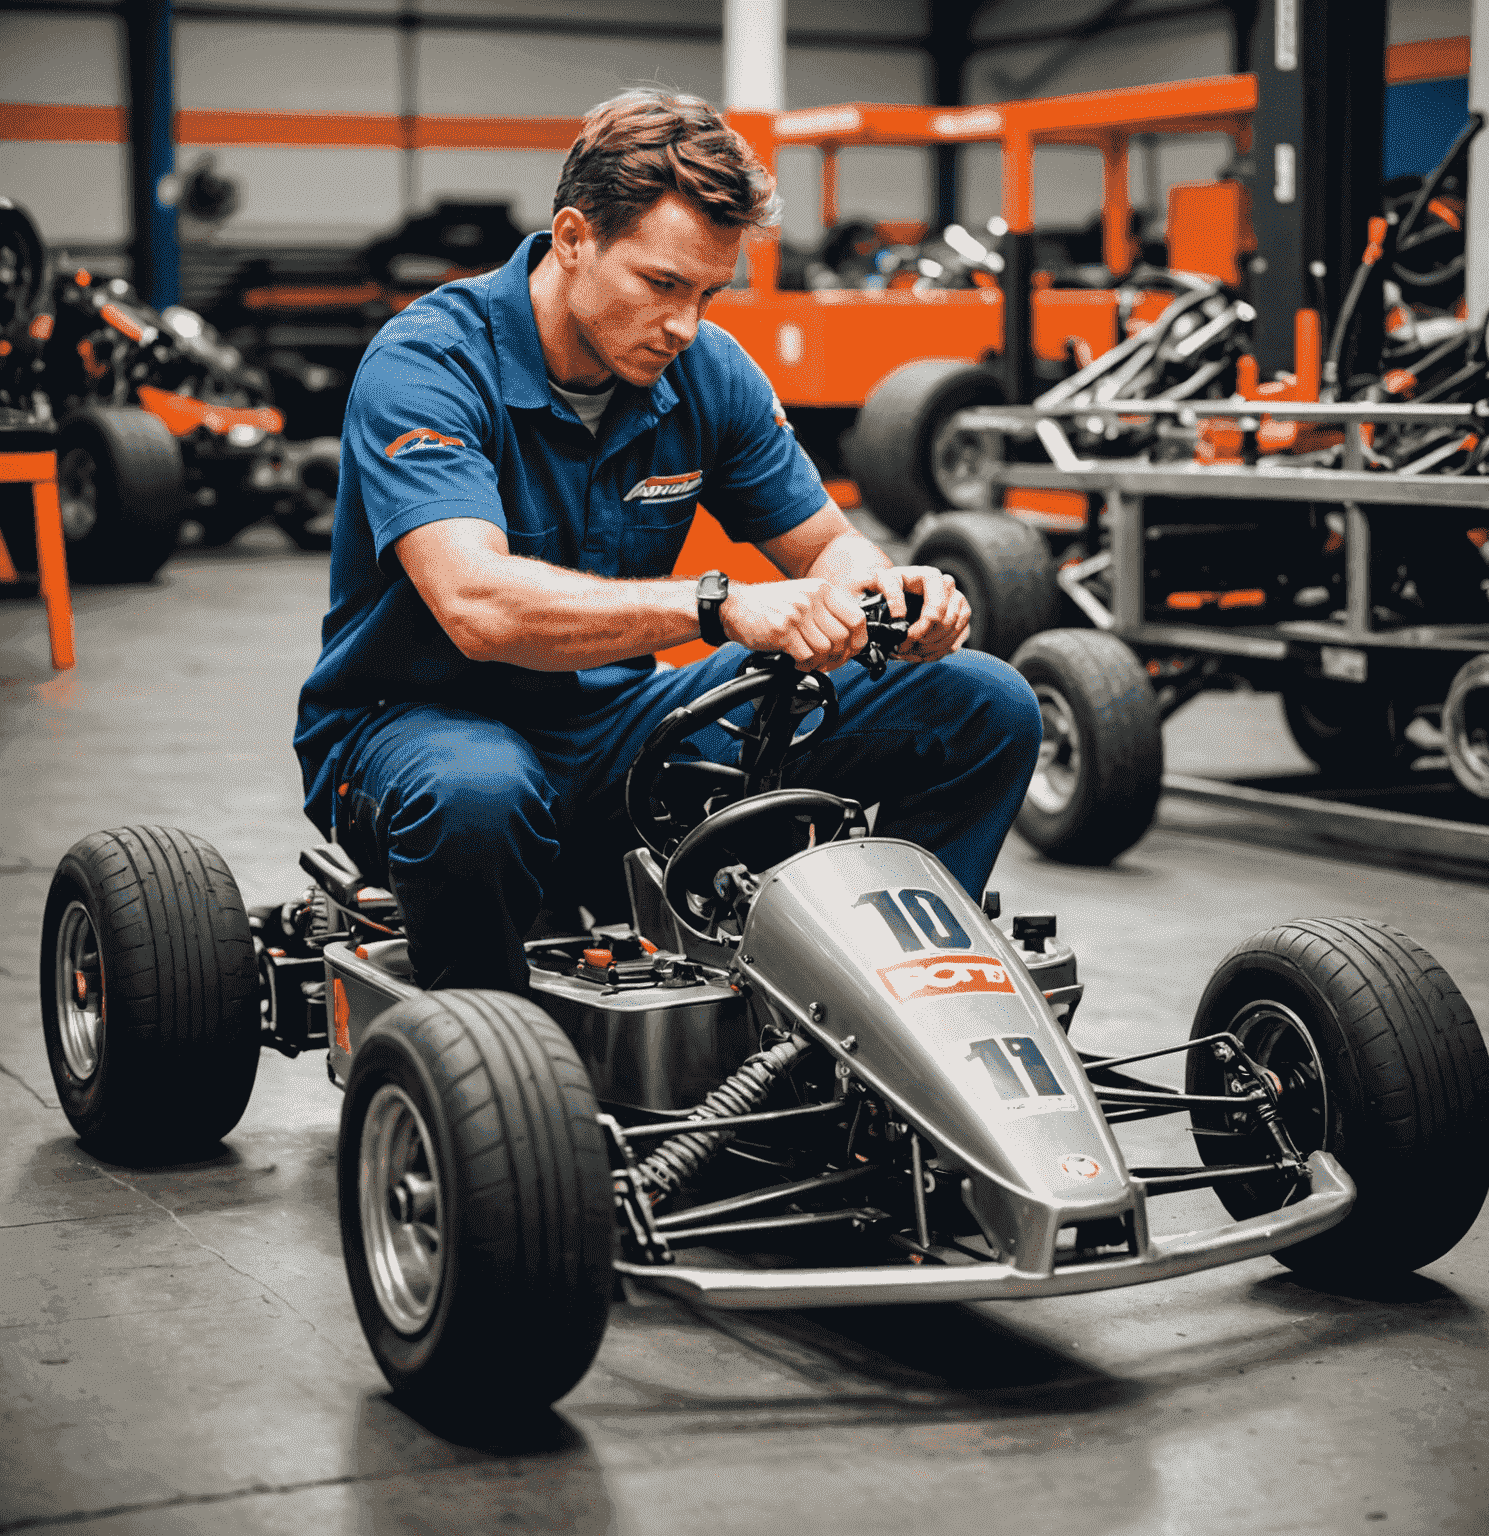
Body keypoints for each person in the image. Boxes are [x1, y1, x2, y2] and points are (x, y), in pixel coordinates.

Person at [294, 89, 1041, 993]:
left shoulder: (704, 370)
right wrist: (719, 607)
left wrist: (884, 599)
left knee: (981, 703)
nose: (685, 324)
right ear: (574, 238)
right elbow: (477, 605)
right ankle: (495, 1059)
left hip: (613, 730)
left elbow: (827, 548)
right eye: (661, 284)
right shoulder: (429, 364)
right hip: (417, 730)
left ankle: (874, 1015)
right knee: (480, 794)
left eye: (707, 292)